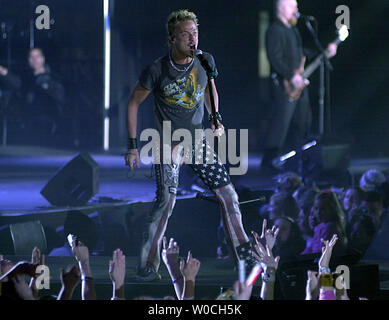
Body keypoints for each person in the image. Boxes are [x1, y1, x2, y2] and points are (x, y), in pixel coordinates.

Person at [125, 9, 253, 281]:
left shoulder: (205, 61)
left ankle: (244, 257)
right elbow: (134, 102)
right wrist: (133, 146)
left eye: (195, 33)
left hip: (197, 141)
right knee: (166, 202)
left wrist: (215, 117)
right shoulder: (157, 69)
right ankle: (148, 263)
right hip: (167, 141)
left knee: (229, 195)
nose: (192, 39)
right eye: (186, 35)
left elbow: (210, 87)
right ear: (172, 39)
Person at [261, 0, 338, 173]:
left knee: (303, 122)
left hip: (299, 85)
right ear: (281, 9)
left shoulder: (293, 30)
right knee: (279, 126)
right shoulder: (275, 30)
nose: (297, 10)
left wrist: (324, 52)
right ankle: (268, 164)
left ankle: (297, 162)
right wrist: (290, 76)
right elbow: (274, 58)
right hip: (284, 85)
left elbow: (302, 53)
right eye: (293, 6)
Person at [301, 190, 347, 255]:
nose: (318, 213)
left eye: (323, 209)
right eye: (316, 208)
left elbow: (320, 253)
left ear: (332, 209)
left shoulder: (329, 228)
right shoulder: (319, 227)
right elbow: (310, 248)